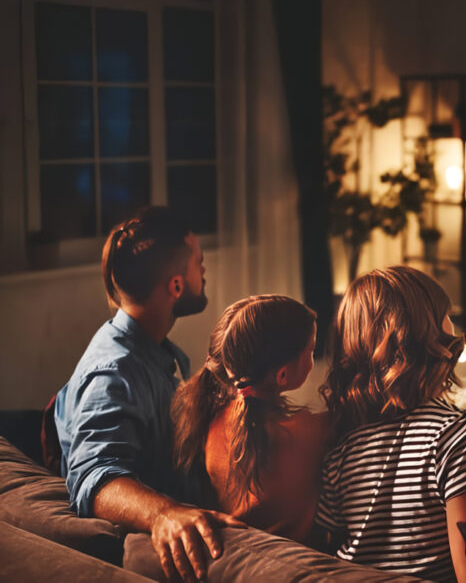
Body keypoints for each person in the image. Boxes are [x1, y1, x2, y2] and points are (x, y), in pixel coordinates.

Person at [54, 206, 243, 582]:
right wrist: (162, 513)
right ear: (175, 286)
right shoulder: (114, 372)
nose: (203, 272)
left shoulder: (155, 352)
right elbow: (95, 475)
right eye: (199, 263)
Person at [315, 266, 466, 583]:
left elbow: (332, 548)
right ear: (429, 331)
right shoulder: (462, 435)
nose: (453, 322)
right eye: (447, 314)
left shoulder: (342, 448)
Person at [172, 295, 327, 545]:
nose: (312, 358)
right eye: (311, 350)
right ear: (283, 374)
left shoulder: (212, 419)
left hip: (237, 554)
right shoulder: (309, 431)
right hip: (291, 559)